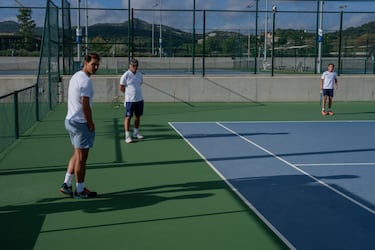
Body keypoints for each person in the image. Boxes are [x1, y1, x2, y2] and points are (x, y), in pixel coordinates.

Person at [60, 52, 100, 199]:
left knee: (77, 153)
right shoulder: (86, 81)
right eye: (93, 64)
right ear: (85, 62)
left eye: (97, 65)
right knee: (82, 159)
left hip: (69, 121)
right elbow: (85, 105)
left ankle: (66, 183)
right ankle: (80, 189)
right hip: (80, 124)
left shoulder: (76, 75)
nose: (95, 67)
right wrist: (90, 123)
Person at [119, 58, 145, 143]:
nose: (135, 67)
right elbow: (121, 88)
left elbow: (139, 84)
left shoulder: (140, 75)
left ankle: (136, 133)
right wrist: (128, 95)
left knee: (137, 117)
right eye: (133, 65)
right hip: (130, 101)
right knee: (128, 117)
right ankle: (127, 136)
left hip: (139, 100)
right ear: (130, 65)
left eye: (136, 65)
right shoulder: (125, 75)